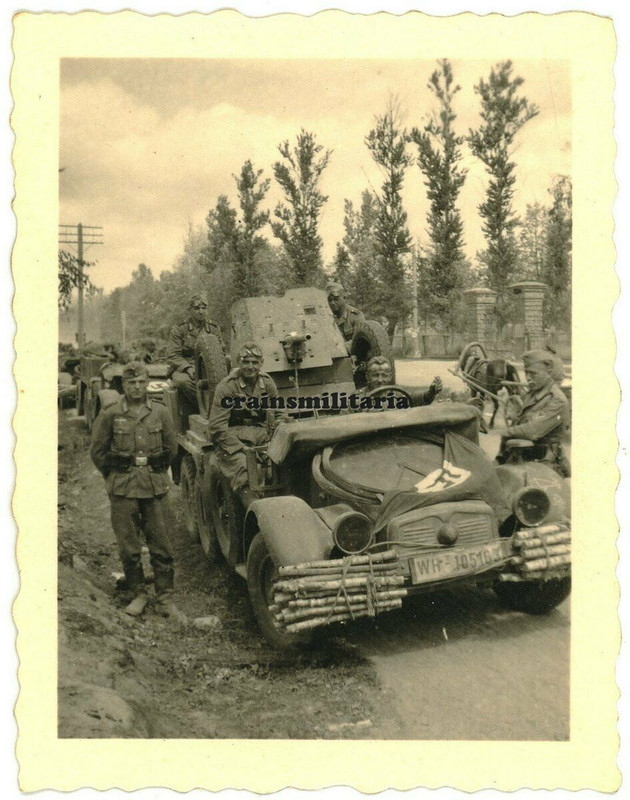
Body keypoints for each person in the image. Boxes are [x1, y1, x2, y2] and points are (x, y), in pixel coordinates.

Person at [90, 361, 182, 619]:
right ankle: (138, 594)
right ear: (124, 385)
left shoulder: (161, 412)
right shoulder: (110, 414)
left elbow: (171, 448)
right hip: (123, 489)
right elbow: (97, 451)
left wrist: (157, 472)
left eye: (141, 382)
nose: (137, 387)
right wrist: (114, 476)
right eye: (131, 383)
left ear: (147, 383)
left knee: (162, 545)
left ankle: (165, 598)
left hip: (154, 487)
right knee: (129, 548)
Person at [208, 342, 284, 508]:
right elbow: (217, 427)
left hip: (262, 434)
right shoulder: (227, 387)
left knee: (283, 465)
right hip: (234, 437)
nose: (250, 367)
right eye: (246, 362)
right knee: (245, 472)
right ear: (238, 362)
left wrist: (277, 434)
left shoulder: (267, 383)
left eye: (255, 362)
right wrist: (242, 448)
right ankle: (256, 515)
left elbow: (280, 413)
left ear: (261, 363)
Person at [498, 349, 571, 476]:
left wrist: (504, 432)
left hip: (546, 464)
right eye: (526, 373)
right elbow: (518, 423)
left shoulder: (557, 400)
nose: (528, 378)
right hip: (521, 458)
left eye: (533, 373)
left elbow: (533, 431)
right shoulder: (532, 394)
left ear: (548, 372)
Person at [166, 294, 223, 407]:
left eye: (204, 308)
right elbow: (172, 355)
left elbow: (221, 351)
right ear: (190, 310)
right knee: (183, 382)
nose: (201, 312)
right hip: (185, 368)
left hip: (208, 366)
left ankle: (215, 407)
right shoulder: (179, 329)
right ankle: (206, 406)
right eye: (197, 308)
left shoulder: (213, 328)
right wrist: (188, 368)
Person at [362, 355, 443, 405]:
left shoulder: (398, 395)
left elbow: (415, 399)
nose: (380, 380)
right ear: (367, 377)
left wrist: (431, 393)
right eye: (375, 375)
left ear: (390, 377)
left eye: (384, 376)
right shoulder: (356, 398)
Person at [326, 281, 365, 346]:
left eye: (336, 299)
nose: (332, 303)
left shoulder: (355, 315)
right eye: (329, 300)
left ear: (344, 297)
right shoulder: (326, 317)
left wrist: (342, 347)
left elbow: (361, 339)